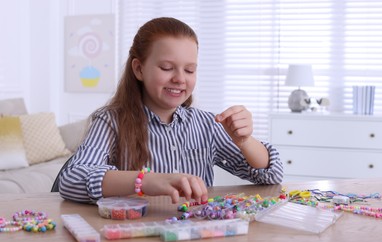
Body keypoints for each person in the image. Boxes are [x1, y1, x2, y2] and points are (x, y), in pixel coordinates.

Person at [58, 17, 283, 205]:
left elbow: (271, 176)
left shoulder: (206, 124)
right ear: (139, 68)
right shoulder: (111, 121)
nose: (179, 78)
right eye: (166, 68)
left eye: (189, 70)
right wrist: (146, 181)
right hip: (135, 239)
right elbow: (71, 180)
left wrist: (244, 140)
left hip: (196, 236)